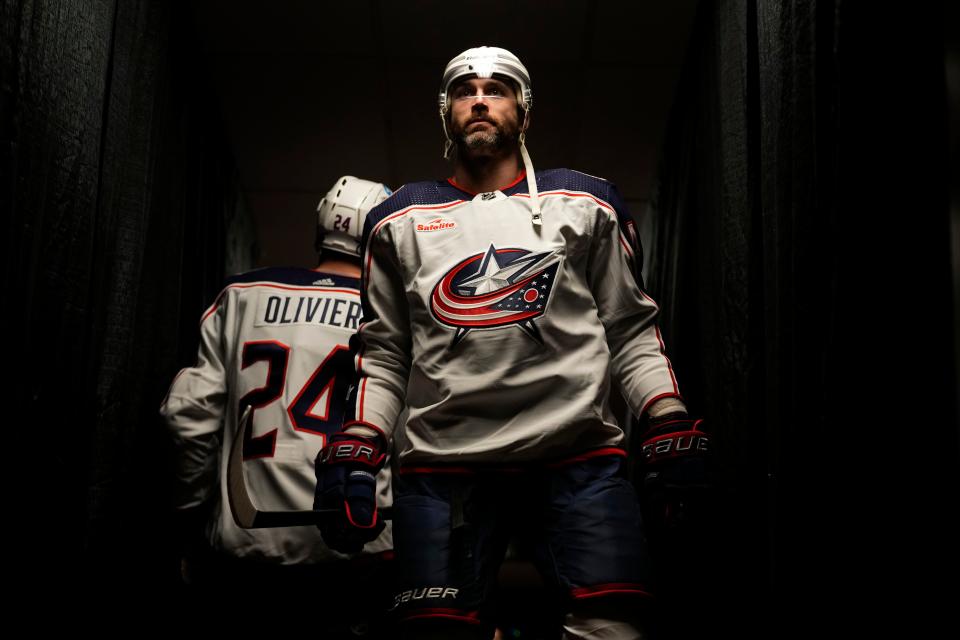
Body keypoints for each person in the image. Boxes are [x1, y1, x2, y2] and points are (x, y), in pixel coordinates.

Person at [313, 47, 708, 640]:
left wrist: (665, 416)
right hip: (447, 463)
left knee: (612, 627)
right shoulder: (398, 219)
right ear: (444, 113)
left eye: (496, 89)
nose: (478, 99)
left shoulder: (585, 202)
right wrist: (361, 440)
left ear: (524, 110)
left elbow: (629, 329)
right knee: (434, 632)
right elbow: (386, 352)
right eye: (463, 90)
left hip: (575, 453)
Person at [160, 176, 395, 634]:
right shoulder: (395, 317)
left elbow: (187, 418)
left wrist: (188, 519)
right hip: (359, 556)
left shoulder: (239, 298)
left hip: (245, 556)